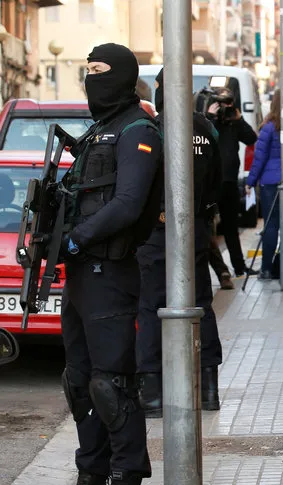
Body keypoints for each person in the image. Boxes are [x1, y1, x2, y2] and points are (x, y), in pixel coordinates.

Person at [59, 43, 163, 485]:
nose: (91, 78)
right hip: (81, 276)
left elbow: (127, 204)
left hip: (111, 274)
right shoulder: (97, 130)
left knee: (111, 384)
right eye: (87, 70)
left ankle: (127, 471)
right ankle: (92, 471)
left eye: (99, 70)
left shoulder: (138, 129)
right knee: (79, 382)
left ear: (120, 74)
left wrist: (77, 239)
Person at [135, 69, 224, 418]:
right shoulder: (205, 128)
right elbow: (218, 181)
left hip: (156, 233)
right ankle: (208, 388)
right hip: (196, 231)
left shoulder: (152, 130)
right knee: (201, 305)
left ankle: (153, 392)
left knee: (151, 307)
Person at [205, 87, 258, 277]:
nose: (225, 107)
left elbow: (251, 138)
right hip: (211, 183)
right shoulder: (208, 121)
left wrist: (238, 118)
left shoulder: (233, 123)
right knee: (205, 228)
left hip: (229, 182)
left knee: (231, 227)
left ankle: (239, 267)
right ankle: (215, 271)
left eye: (228, 103)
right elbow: (203, 138)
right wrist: (210, 117)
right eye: (221, 103)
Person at [245, 89, 282, 280]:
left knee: (270, 226)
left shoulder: (268, 128)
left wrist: (250, 182)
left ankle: (267, 268)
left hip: (270, 183)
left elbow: (259, 158)